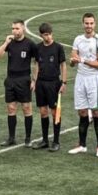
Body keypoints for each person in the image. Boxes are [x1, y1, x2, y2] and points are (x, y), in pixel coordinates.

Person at [68, 12, 98, 157]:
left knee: (96, 111)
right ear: (82, 24)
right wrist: (73, 61)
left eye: (91, 23)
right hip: (80, 78)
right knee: (82, 111)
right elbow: (72, 60)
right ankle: (82, 145)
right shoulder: (78, 39)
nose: (89, 26)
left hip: (94, 79)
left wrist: (82, 61)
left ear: (95, 24)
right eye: (86, 23)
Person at [0, 20, 38, 146]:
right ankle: (11, 138)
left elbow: (36, 62)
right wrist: (6, 42)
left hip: (24, 79)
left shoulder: (30, 44)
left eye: (17, 28)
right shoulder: (10, 43)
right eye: (13, 28)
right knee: (11, 108)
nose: (15, 31)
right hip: (10, 79)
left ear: (23, 29)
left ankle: (28, 138)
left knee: (26, 108)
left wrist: (34, 80)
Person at [31, 22, 67, 151]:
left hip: (53, 83)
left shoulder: (58, 47)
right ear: (41, 35)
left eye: (49, 34)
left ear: (52, 33)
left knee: (54, 111)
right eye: (45, 35)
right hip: (40, 83)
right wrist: (34, 80)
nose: (48, 37)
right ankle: (45, 140)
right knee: (43, 111)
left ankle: (56, 141)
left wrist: (64, 82)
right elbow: (36, 65)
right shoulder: (38, 47)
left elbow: (63, 65)